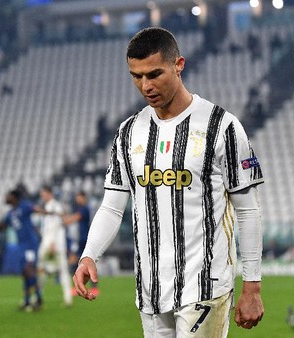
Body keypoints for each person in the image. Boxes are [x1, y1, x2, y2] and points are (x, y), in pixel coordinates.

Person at [72, 27, 265, 337]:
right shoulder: (129, 132)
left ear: (179, 65)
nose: (145, 85)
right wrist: (89, 254)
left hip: (205, 286)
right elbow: (112, 206)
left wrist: (252, 285)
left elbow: (247, 209)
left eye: (154, 73)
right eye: (136, 76)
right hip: (151, 291)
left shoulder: (221, 127)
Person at [0, 189, 42, 311]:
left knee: (28, 269)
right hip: (21, 245)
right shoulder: (10, 213)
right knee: (25, 273)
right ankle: (28, 300)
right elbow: (1, 228)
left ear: (14, 197)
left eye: (8, 195)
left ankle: (38, 299)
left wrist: (50, 213)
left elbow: (36, 209)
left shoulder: (24, 206)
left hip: (30, 243)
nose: (6, 197)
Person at [36, 186, 73, 307]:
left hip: (53, 243)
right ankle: (66, 298)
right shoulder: (49, 206)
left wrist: (52, 243)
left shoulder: (54, 206)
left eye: (44, 194)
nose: (42, 196)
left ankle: (39, 297)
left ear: (49, 193)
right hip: (52, 242)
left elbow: (56, 225)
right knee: (51, 270)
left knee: (47, 269)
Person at [63, 191, 98, 296]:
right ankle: (79, 285)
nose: (77, 200)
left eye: (79, 197)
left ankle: (93, 287)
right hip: (80, 239)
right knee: (77, 261)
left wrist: (65, 220)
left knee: (84, 261)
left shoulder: (85, 209)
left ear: (83, 198)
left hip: (85, 239)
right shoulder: (81, 208)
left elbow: (75, 218)